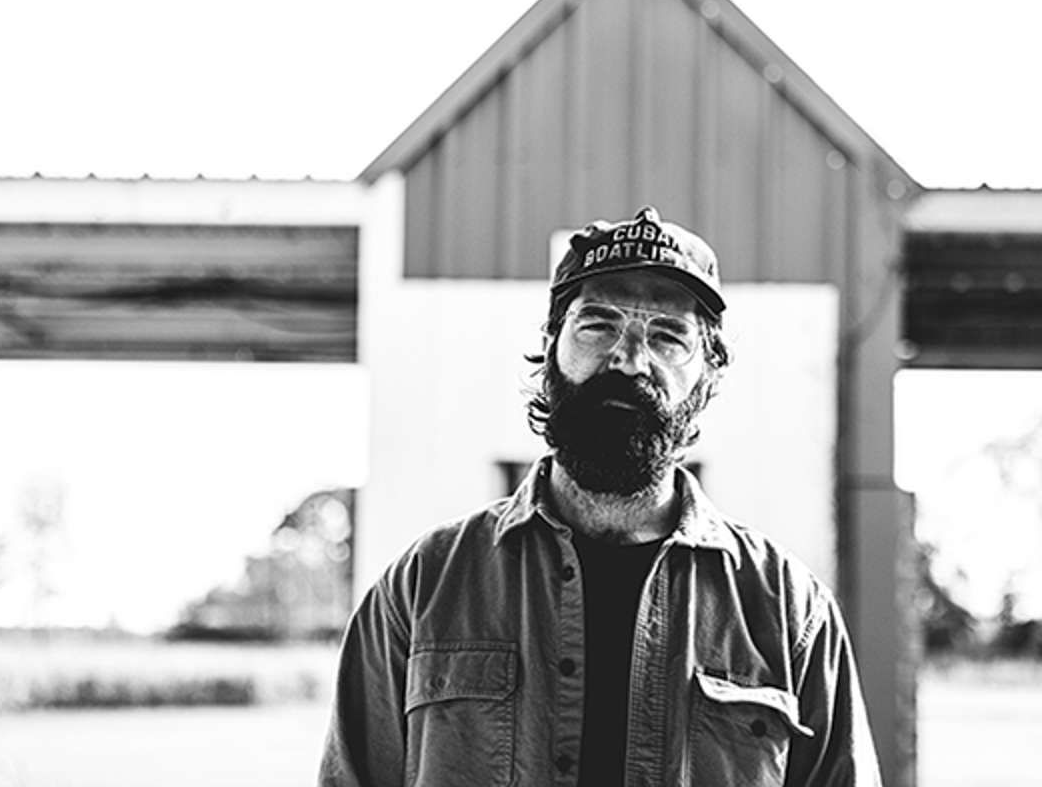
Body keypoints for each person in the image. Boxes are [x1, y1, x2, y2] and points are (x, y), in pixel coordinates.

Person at [319, 206, 882, 786]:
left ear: (708, 376)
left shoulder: (789, 611)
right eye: (598, 325)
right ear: (551, 346)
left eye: (668, 336)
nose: (629, 359)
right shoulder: (423, 587)